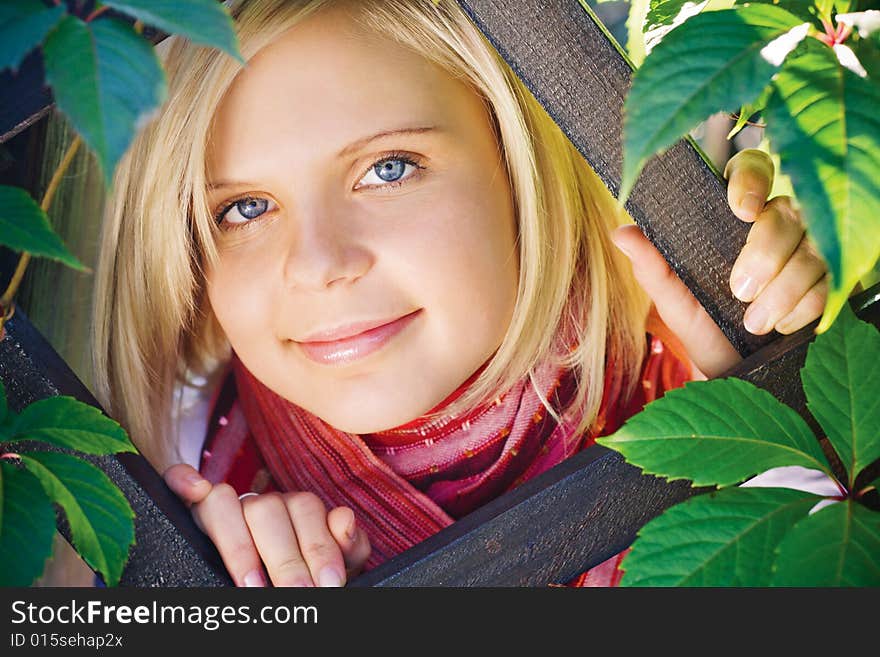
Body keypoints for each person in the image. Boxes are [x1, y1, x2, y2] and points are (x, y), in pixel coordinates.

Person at [92, 0, 828, 588]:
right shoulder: (173, 476)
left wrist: (785, 404)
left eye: (388, 169)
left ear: (514, 164)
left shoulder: (694, 366)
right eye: (245, 208)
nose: (318, 264)